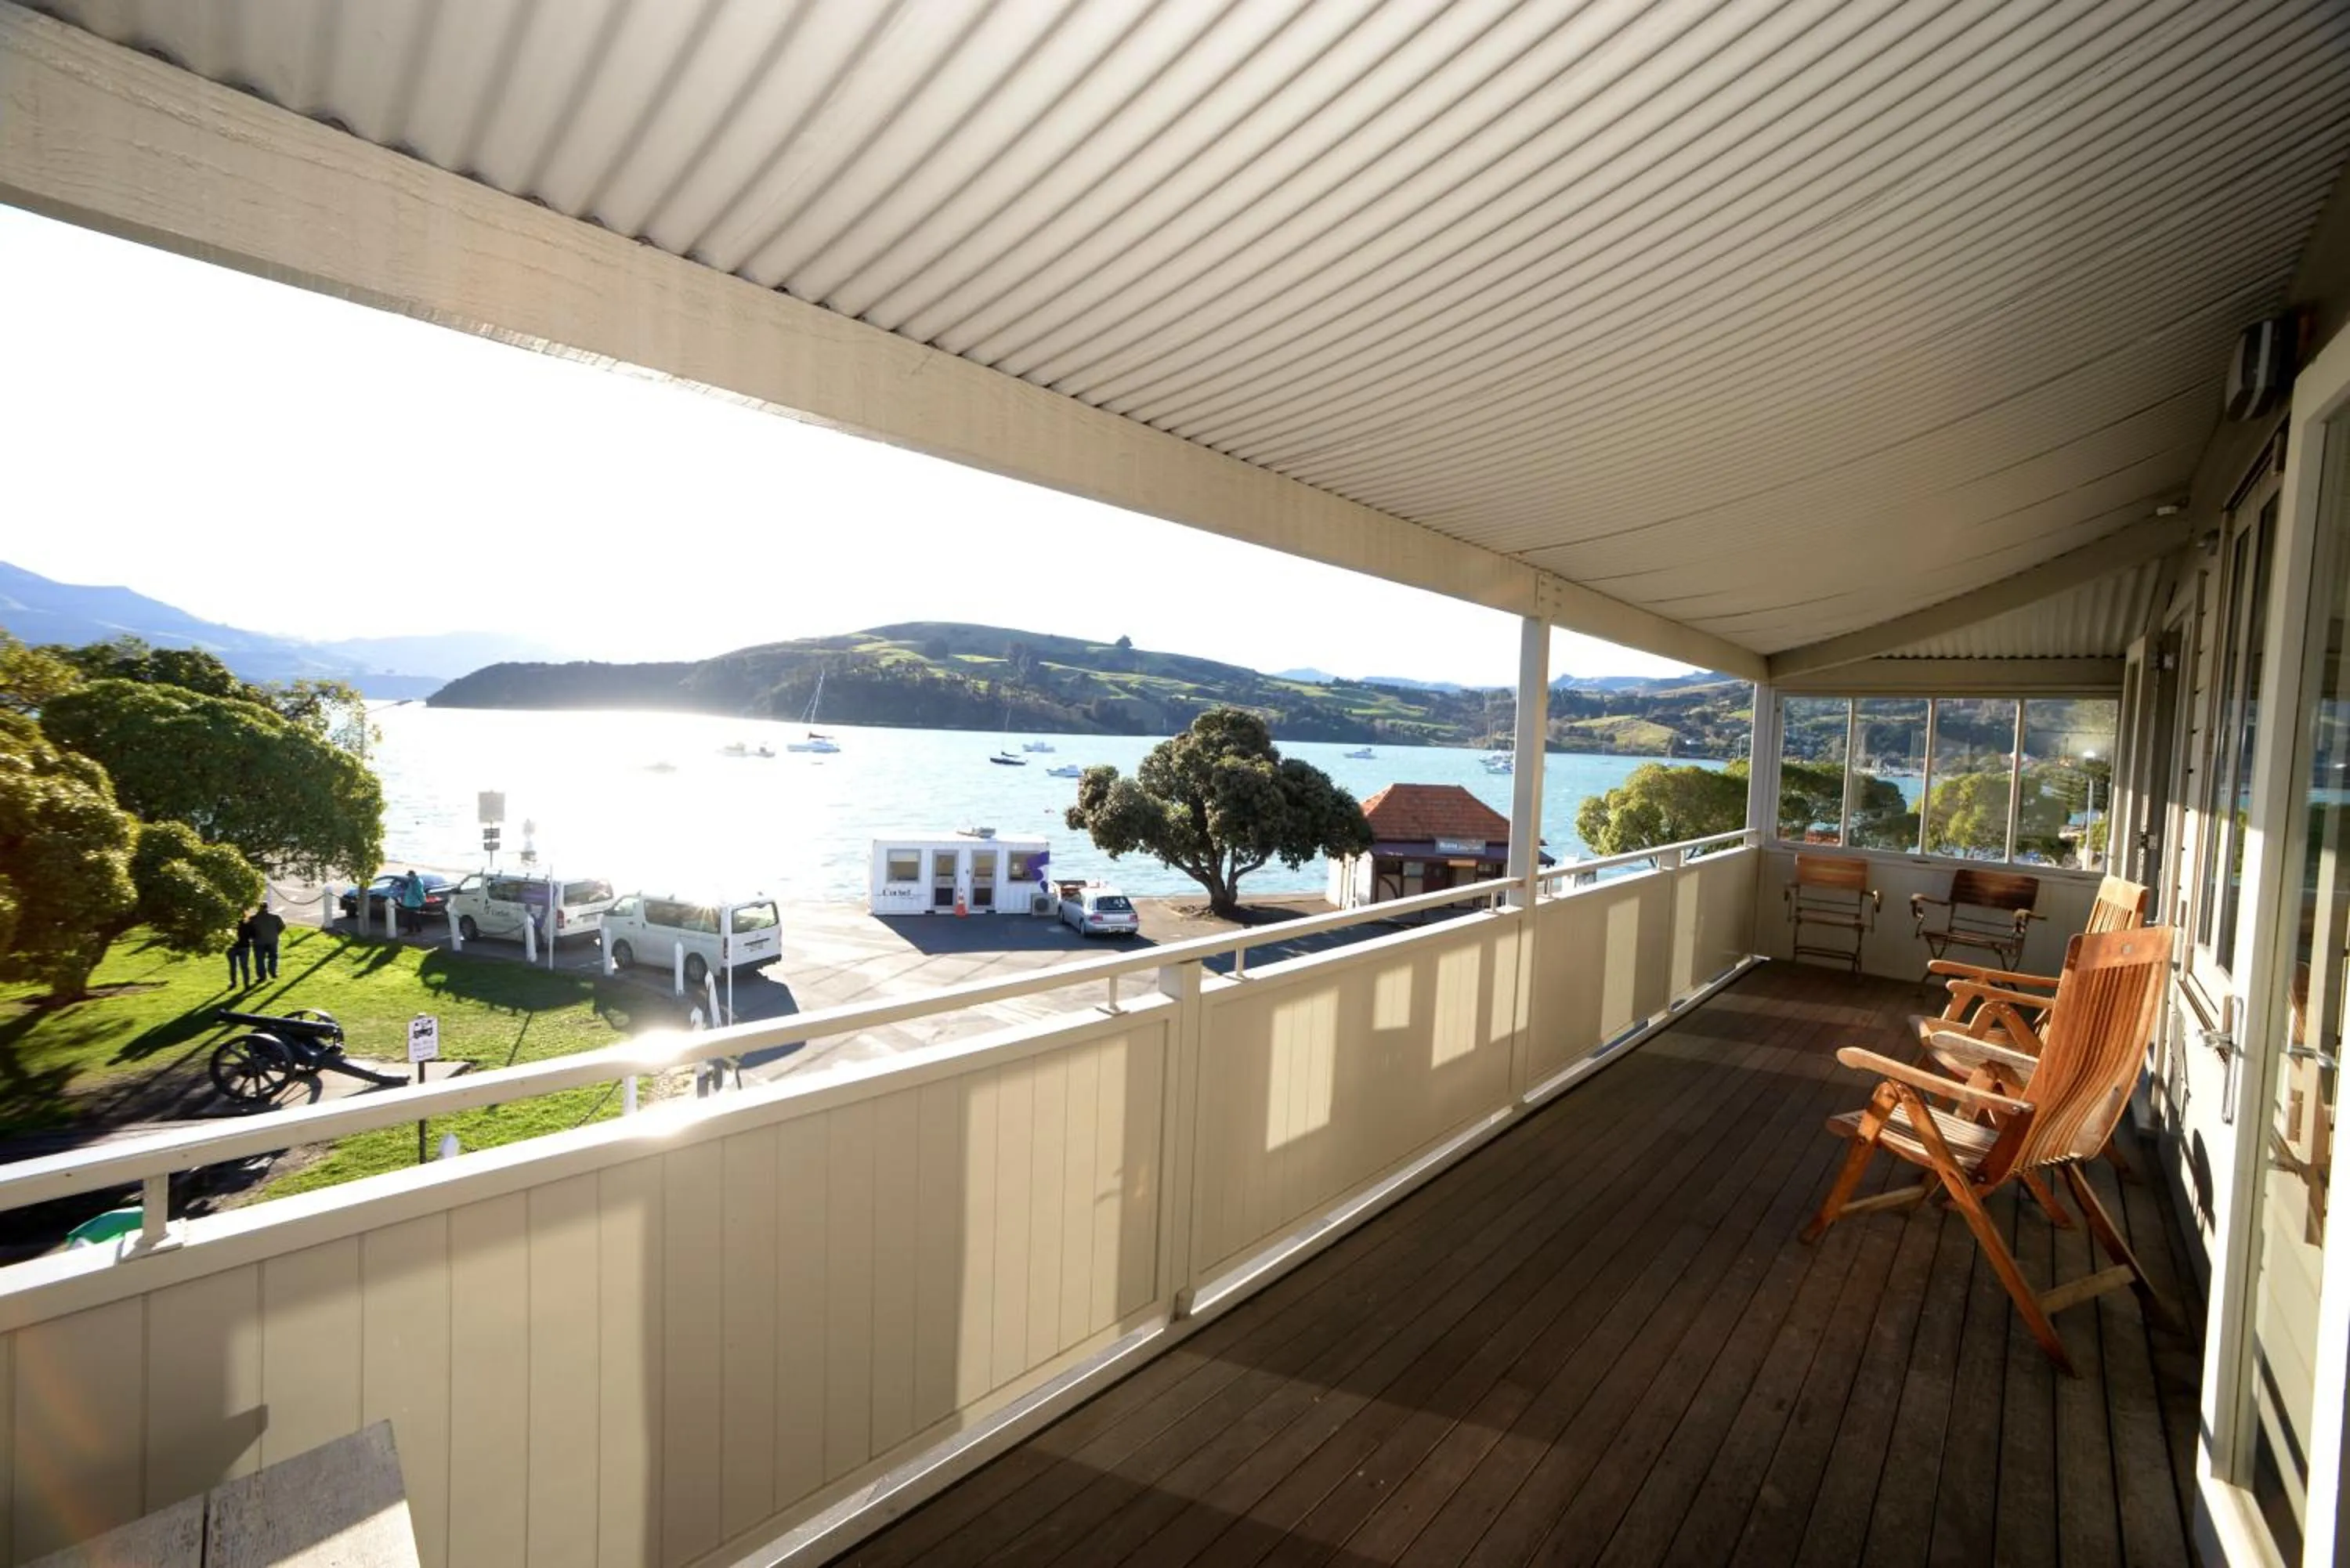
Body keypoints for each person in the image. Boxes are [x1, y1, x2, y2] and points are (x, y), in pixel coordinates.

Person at [248, 901, 285, 981]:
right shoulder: (275, 917)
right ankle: (273, 973)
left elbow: (248, 931)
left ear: (258, 908)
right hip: (272, 940)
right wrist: (276, 933)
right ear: (267, 908)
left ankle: (262, 977)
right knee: (273, 957)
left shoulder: (253, 919)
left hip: (258, 942)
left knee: (260, 959)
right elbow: (282, 927)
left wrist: (253, 937)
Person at [227, 910, 255, 988]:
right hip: (244, 946)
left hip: (232, 946)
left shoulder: (230, 924)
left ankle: (233, 983)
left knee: (233, 966)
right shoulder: (248, 924)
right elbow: (253, 935)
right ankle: (247, 984)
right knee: (244, 966)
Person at [397, 869, 428, 937]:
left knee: (411, 918)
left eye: (409, 875)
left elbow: (419, 893)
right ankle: (417, 930)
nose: (408, 877)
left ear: (413, 875)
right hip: (411, 903)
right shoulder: (413, 882)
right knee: (414, 917)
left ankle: (411, 931)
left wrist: (423, 900)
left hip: (413, 903)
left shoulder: (416, 883)